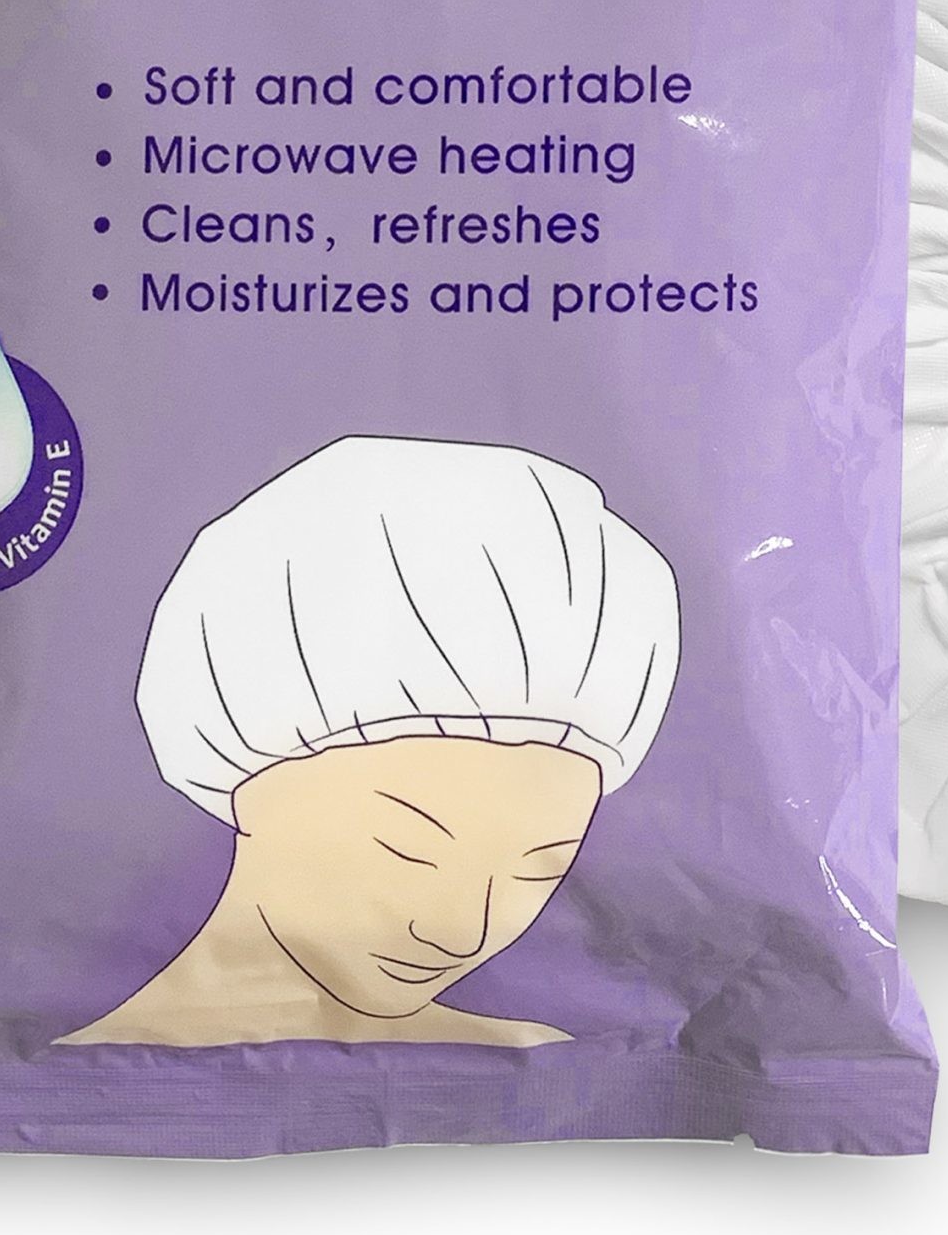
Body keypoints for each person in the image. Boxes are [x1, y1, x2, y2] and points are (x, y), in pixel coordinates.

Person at [62, 434, 679, 1048]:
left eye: (537, 872)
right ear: (248, 788)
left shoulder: (546, 1065)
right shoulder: (78, 1078)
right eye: (406, 848)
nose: (461, 931)